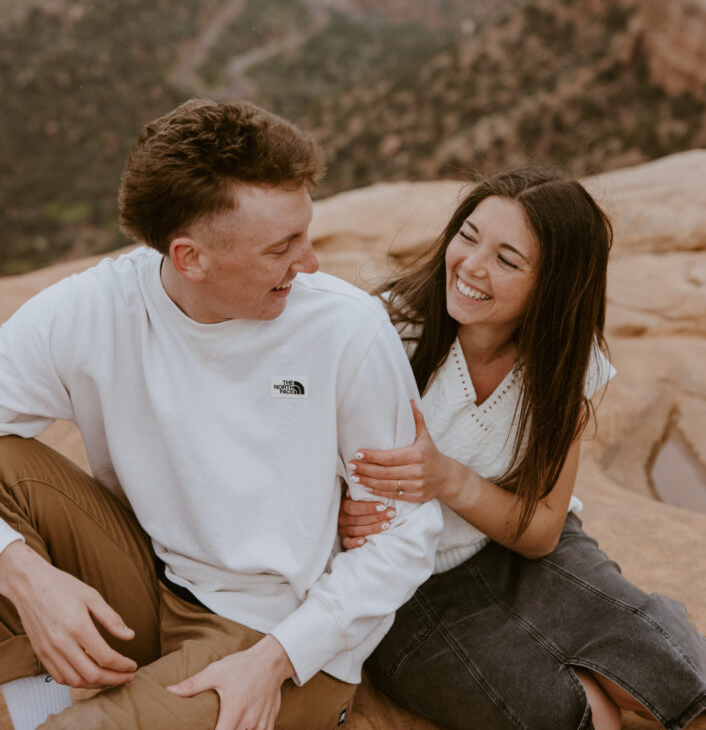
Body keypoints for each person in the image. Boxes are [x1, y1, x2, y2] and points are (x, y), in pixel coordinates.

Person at [0, 99, 442, 730]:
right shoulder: (95, 308)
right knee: (6, 461)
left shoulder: (347, 332)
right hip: (147, 583)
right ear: (190, 259)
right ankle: (78, 682)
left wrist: (274, 662)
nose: (311, 263)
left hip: (272, 633)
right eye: (281, 248)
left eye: (306, 234)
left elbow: (405, 537)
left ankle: (71, 700)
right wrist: (21, 571)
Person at [339, 167, 706, 730]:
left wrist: (448, 479)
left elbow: (541, 532)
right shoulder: (386, 334)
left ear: (553, 285)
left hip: (519, 553)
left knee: (677, 676)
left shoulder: (563, 361)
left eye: (508, 260)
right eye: (468, 235)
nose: (471, 267)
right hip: (409, 588)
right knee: (578, 713)